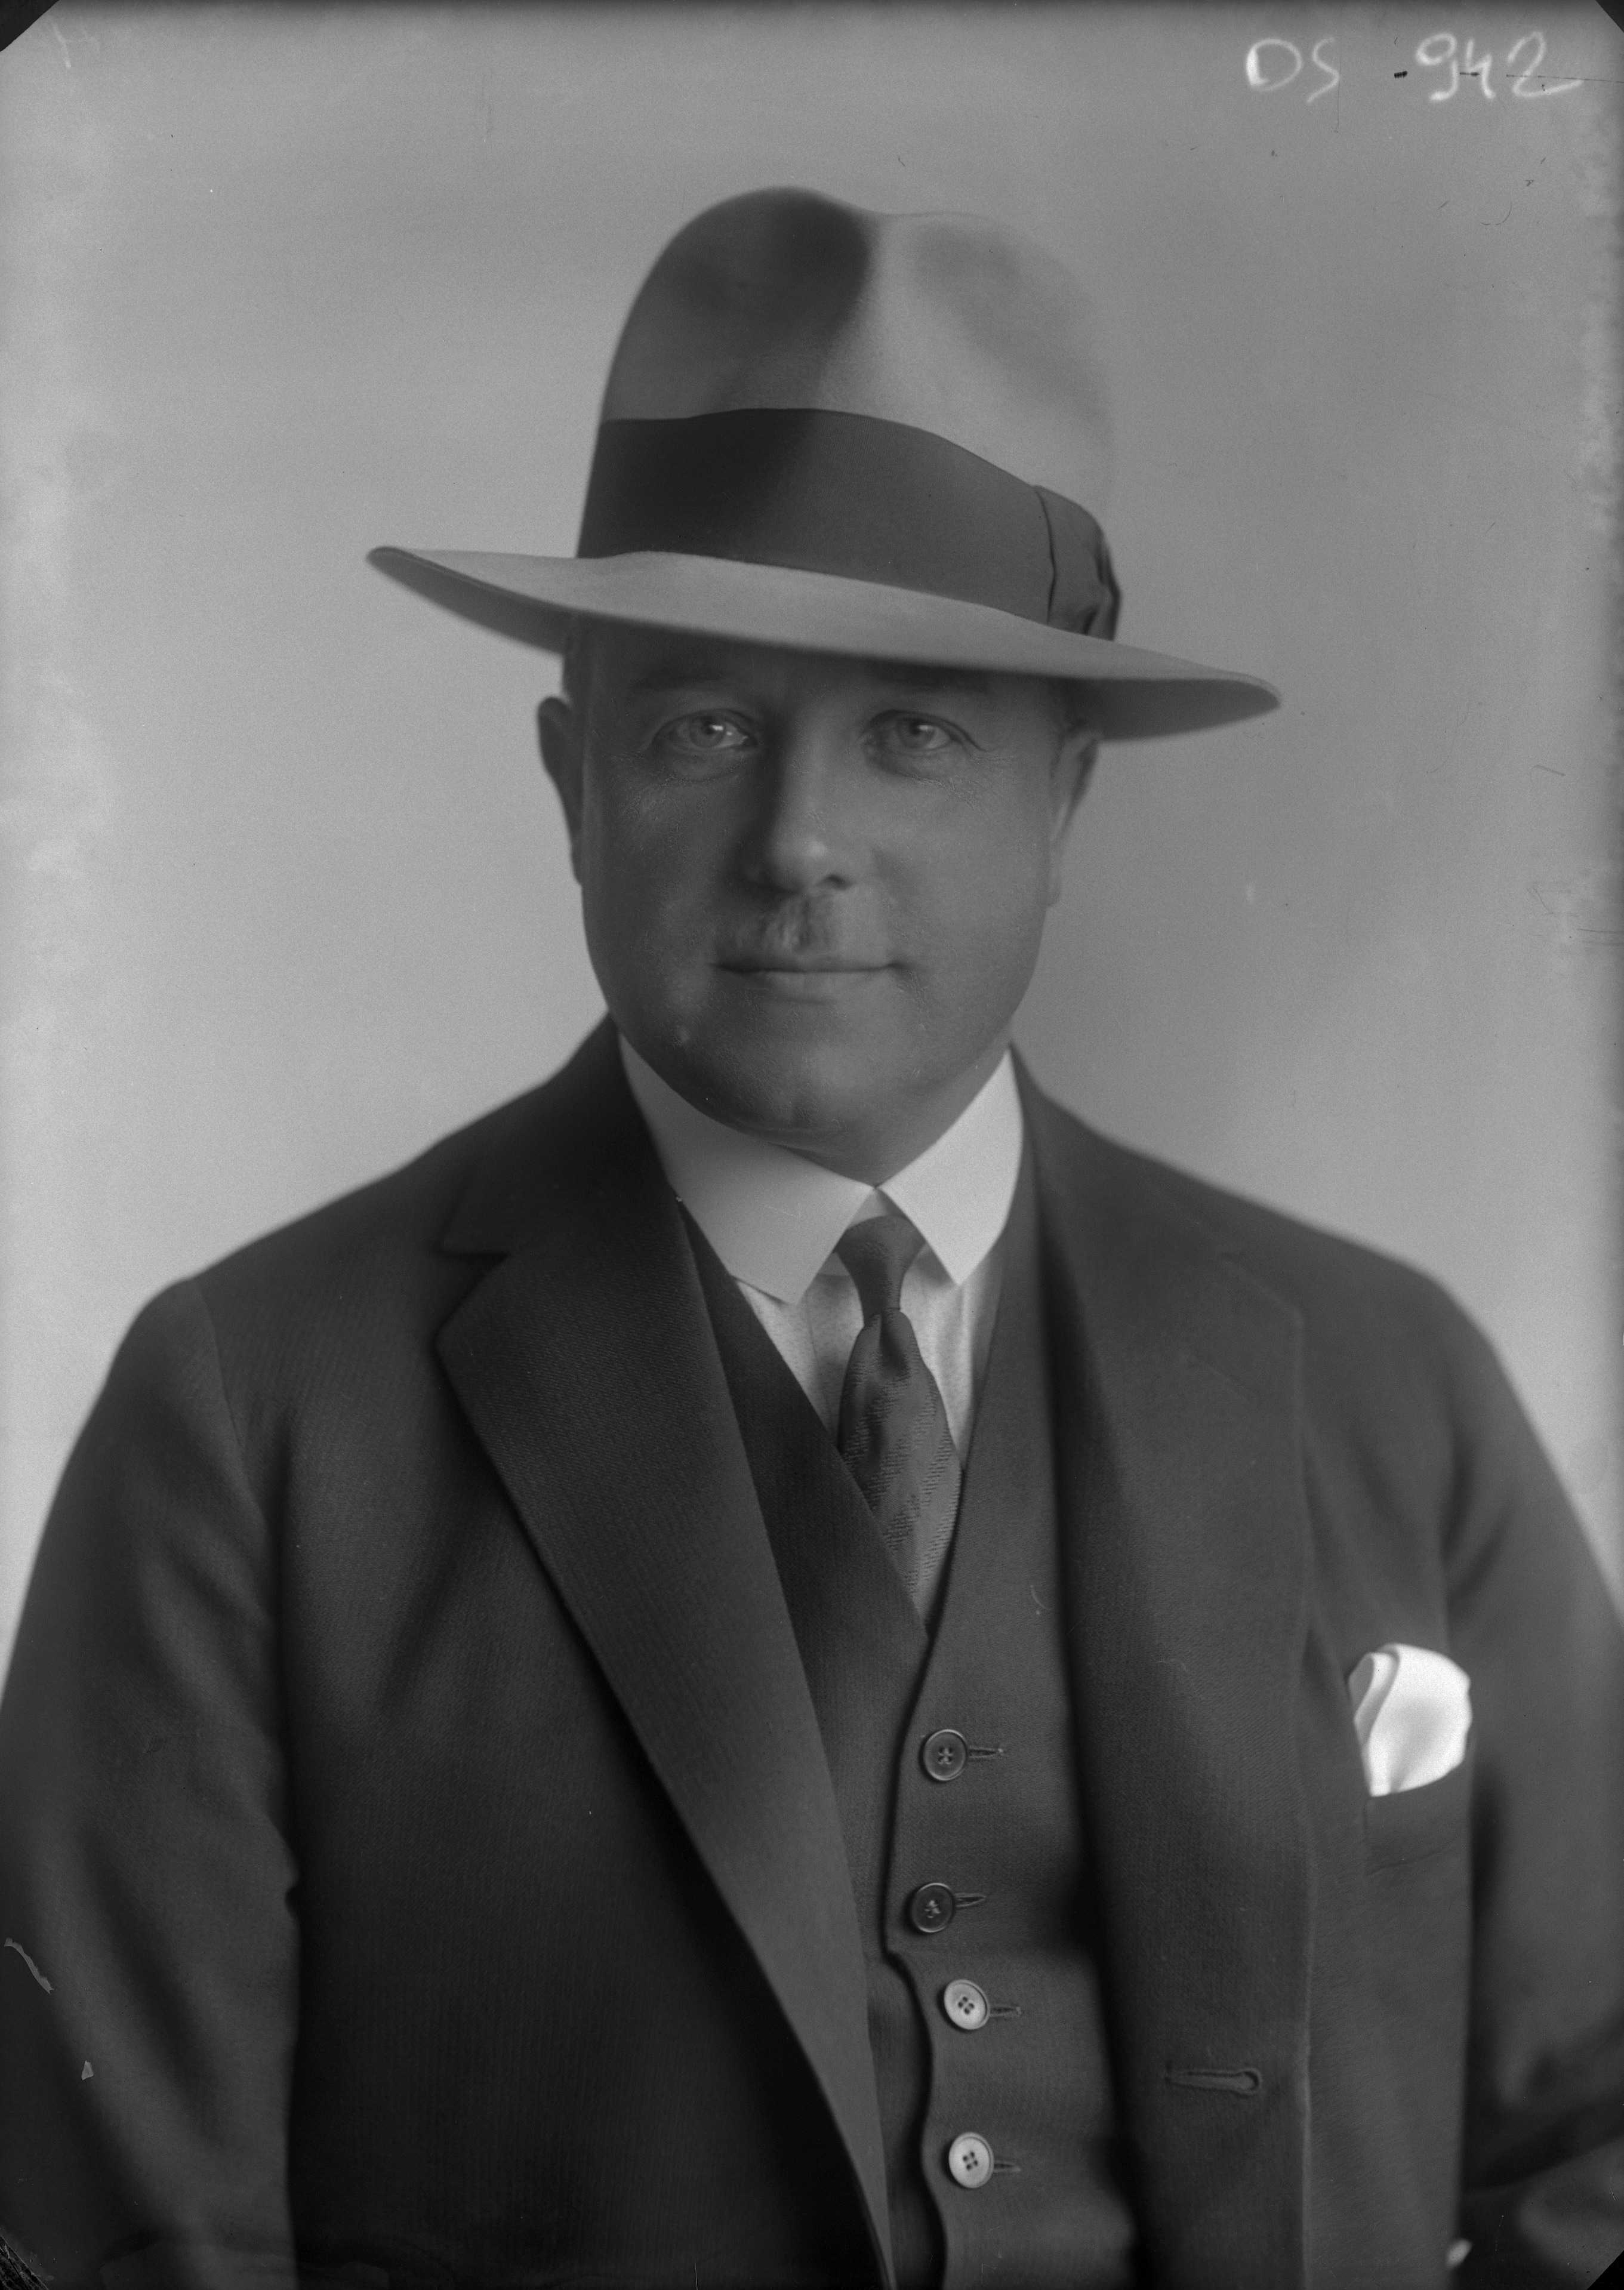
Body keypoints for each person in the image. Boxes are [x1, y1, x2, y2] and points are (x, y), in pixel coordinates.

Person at [1, 186, 1620, 2290]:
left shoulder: (1389, 1382)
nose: (800, 843)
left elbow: (1600, 2134)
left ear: (1064, 804)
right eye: (703, 730)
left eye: (915, 734)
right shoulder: (247, 1415)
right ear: (571, 784)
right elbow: (126, 2240)